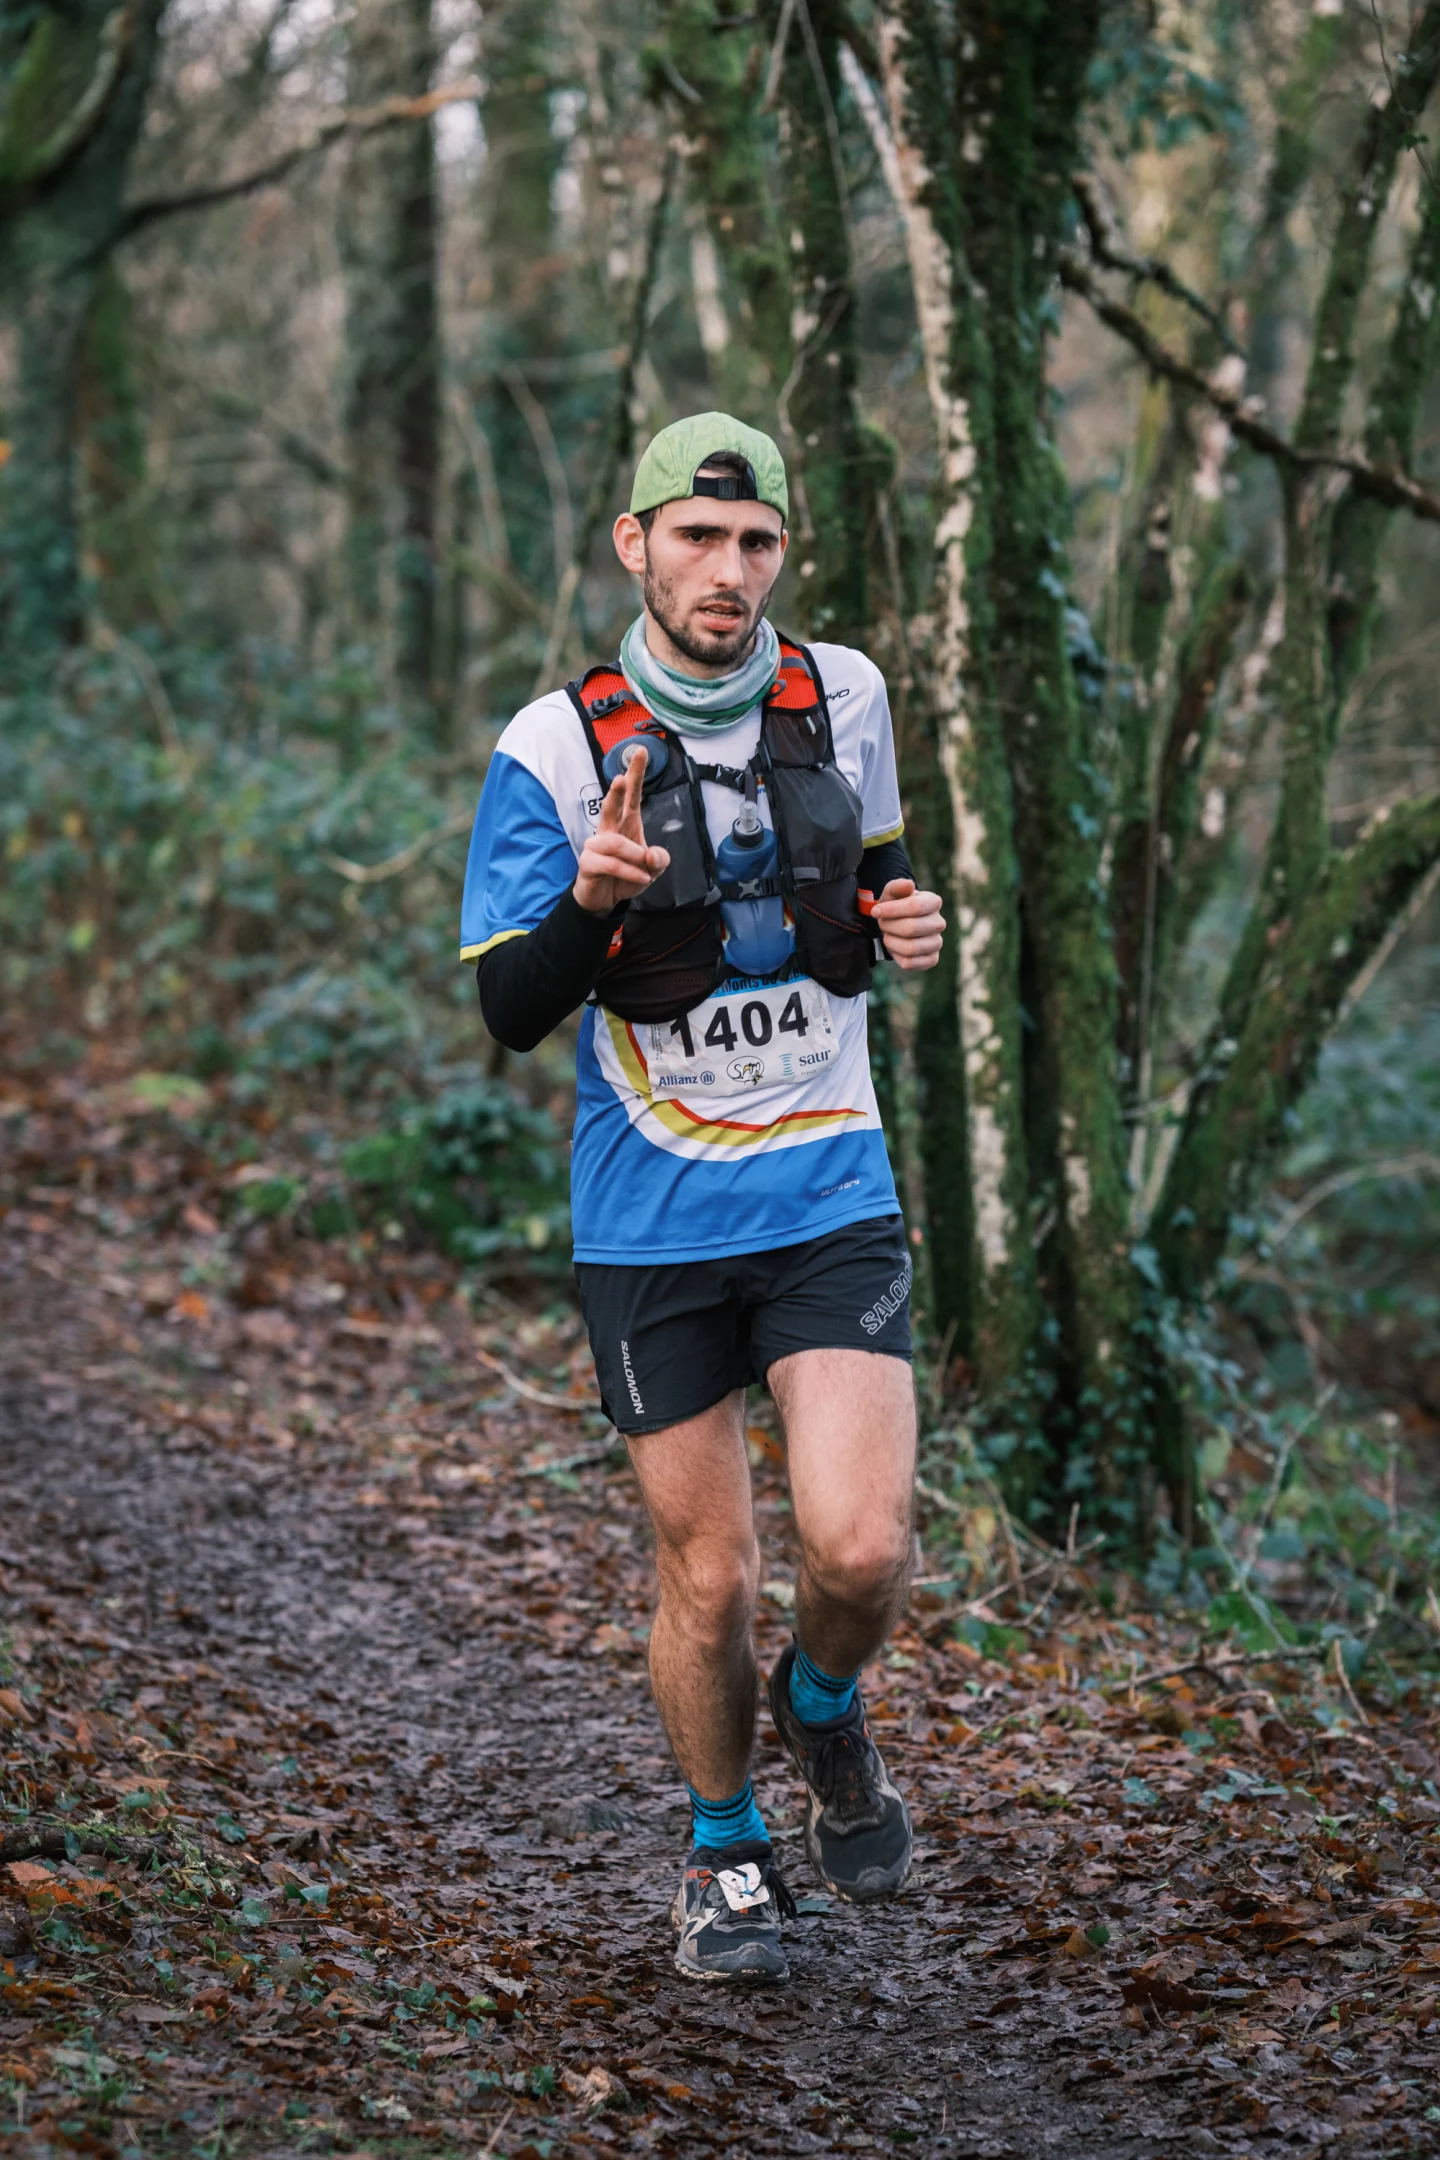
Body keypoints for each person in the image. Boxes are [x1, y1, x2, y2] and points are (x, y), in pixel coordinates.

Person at [460, 412, 945, 1983]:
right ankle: (725, 1847)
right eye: (698, 537)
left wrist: (906, 921)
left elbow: (871, 880)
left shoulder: (846, 693)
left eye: (756, 541)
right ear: (635, 544)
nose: (729, 569)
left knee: (859, 1551)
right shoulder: (551, 747)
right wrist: (590, 902)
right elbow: (510, 1011)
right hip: (650, 1213)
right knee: (714, 1574)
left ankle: (824, 1705)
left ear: (783, 550)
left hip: (827, 1186)